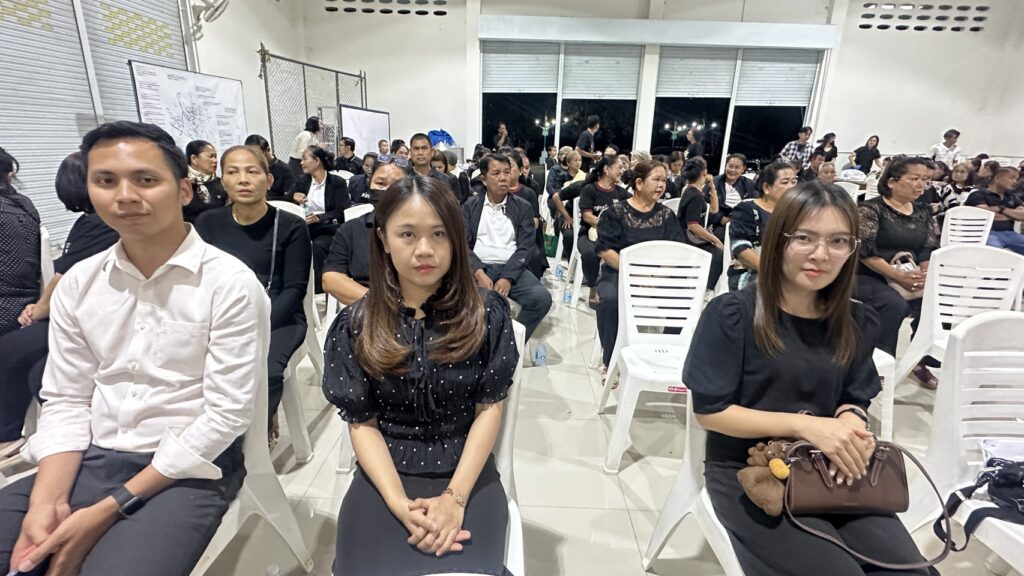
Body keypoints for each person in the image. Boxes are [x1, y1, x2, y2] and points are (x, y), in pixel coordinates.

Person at [0, 121, 269, 576]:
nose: (125, 196)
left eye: (145, 179)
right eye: (106, 181)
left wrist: (108, 508)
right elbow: (66, 398)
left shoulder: (229, 284)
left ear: (184, 190)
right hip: (90, 455)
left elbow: (225, 415)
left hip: (188, 468)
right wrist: (46, 502)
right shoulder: (80, 283)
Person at [686, 181, 933, 576]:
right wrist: (807, 426)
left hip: (829, 466)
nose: (821, 254)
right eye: (804, 238)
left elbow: (856, 395)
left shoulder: (856, 320)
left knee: (908, 572)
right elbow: (711, 411)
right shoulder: (733, 314)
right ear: (780, 240)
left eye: (838, 241)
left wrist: (850, 421)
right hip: (749, 471)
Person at [323, 173, 516, 576]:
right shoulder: (356, 323)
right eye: (407, 234)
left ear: (456, 239)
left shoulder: (487, 313)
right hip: (385, 472)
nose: (424, 249)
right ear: (383, 239)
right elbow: (362, 424)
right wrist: (398, 504)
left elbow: (489, 409)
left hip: (466, 470)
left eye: (439, 234)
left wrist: (454, 499)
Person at [1, 152, 119, 460]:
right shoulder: (79, 220)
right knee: (34, 366)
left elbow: (63, 274)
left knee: (20, 356)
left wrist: (39, 309)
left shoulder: (99, 222)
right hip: (64, 307)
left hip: (91, 314)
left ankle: (10, 436)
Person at [195, 145, 311, 442]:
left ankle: (252, 440)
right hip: (219, 319)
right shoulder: (207, 223)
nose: (243, 179)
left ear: (268, 180)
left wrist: (253, 324)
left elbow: (294, 290)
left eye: (252, 171)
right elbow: (199, 281)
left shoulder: (290, 226)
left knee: (265, 373)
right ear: (223, 181)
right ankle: (210, 436)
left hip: (277, 318)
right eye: (233, 172)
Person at [853, 156, 938, 389]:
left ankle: (920, 360)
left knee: (936, 303)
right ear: (892, 181)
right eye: (915, 179)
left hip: (908, 272)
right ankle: (878, 364)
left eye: (926, 180)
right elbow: (864, 252)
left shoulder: (922, 212)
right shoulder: (870, 209)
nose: (921, 185)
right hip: (867, 274)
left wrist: (924, 275)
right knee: (894, 305)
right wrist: (897, 276)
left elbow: (927, 249)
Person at [595, 160, 685, 371]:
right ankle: (610, 360)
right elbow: (606, 251)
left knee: (682, 303)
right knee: (609, 301)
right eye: (656, 179)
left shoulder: (666, 215)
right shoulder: (614, 213)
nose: (661, 185)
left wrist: (656, 277)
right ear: (638, 183)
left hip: (657, 278)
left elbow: (676, 251)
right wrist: (635, 274)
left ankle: (666, 356)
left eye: (664, 180)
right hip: (621, 273)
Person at [463, 154, 552, 340]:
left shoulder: (523, 206)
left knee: (541, 299)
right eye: (496, 173)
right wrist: (478, 273)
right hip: (479, 267)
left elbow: (526, 247)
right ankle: (477, 346)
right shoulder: (470, 206)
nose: (503, 178)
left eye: (506, 172)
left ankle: (509, 342)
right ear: (484, 179)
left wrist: (508, 278)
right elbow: (462, 244)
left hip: (512, 267)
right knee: (471, 304)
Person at [323, 160, 408, 307]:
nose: (387, 190)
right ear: (369, 185)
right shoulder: (351, 229)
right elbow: (331, 278)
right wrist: (382, 304)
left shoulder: (425, 229)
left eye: (396, 184)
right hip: (368, 307)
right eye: (380, 183)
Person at [727, 161, 797, 291]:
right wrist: (772, 272)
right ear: (766, 188)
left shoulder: (796, 213)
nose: (791, 187)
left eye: (794, 182)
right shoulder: (747, 209)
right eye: (785, 182)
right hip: (754, 273)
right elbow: (740, 248)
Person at [292, 146, 351, 293]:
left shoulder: (337, 182)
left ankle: (319, 289)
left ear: (317, 161)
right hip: (306, 227)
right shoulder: (302, 181)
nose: (301, 162)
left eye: (305, 158)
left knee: (317, 247)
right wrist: (294, 198)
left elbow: (341, 211)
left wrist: (319, 217)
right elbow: (287, 200)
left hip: (328, 228)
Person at [578, 155, 630, 308]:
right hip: (589, 234)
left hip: (614, 237)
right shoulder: (590, 190)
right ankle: (593, 287)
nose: (623, 170)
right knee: (590, 253)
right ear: (607, 169)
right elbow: (587, 216)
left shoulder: (622, 193)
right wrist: (606, 225)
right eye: (619, 167)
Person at [677, 159, 724, 291]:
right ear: (704, 173)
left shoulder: (693, 191)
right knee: (718, 254)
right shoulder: (695, 196)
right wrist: (715, 240)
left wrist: (712, 187)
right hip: (687, 239)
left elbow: (714, 209)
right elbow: (693, 226)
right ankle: (706, 290)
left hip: (689, 236)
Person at [964, 167, 1024, 255]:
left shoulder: (1012, 197)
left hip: (1011, 233)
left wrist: (1001, 209)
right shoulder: (978, 195)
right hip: (985, 233)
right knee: (994, 253)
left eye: (1016, 179)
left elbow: (1022, 216)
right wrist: (1012, 215)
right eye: (1011, 178)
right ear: (997, 178)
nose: (1015, 182)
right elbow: (985, 216)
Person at [548, 151, 585, 260]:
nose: (578, 163)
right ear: (568, 163)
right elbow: (555, 193)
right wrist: (566, 216)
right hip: (564, 209)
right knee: (569, 234)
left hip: (579, 210)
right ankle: (570, 260)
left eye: (580, 160)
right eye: (575, 160)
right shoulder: (562, 176)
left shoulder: (584, 176)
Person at [182, 140, 226, 223]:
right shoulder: (182, 184)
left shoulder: (222, 183)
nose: (215, 160)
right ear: (194, 159)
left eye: (215, 157)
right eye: (211, 156)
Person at [709, 153, 758, 228]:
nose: (732, 170)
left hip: (743, 223)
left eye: (737, 167)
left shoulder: (749, 184)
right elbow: (705, 204)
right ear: (726, 165)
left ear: (743, 169)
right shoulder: (714, 182)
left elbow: (755, 204)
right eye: (730, 166)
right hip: (719, 224)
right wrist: (721, 218)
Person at [245, 134, 295, 201]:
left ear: (267, 150)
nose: (253, 158)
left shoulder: (285, 169)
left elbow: (290, 198)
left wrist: (265, 199)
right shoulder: (249, 169)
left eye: (257, 154)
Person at [410, 133, 459, 199]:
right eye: (416, 149)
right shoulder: (403, 178)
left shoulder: (444, 180)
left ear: (432, 152)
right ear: (410, 152)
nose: (420, 153)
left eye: (424, 148)